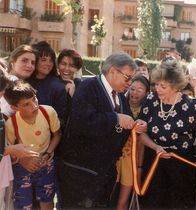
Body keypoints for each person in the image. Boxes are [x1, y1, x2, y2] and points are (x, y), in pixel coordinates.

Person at [59, 53, 146, 208]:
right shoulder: (88, 87)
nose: (129, 83)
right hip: (82, 173)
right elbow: (82, 122)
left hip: (104, 173)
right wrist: (116, 118)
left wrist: (135, 124)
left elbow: (125, 121)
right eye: (127, 78)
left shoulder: (119, 95)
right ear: (112, 71)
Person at [138, 58, 196, 209]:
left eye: (163, 86)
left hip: (182, 168)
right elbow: (141, 134)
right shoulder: (150, 100)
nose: (158, 89)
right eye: (156, 84)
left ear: (176, 86)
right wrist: (156, 147)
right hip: (154, 164)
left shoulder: (192, 106)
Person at [4, 80, 61, 210]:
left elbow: (57, 135)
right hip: (22, 168)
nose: (34, 105)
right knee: (23, 204)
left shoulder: (48, 112)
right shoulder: (11, 124)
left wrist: (47, 153)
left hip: (46, 164)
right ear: (15, 107)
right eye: (26, 104)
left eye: (34, 99)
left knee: (47, 200)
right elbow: (9, 151)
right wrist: (22, 161)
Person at [116, 75, 150, 210]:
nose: (134, 93)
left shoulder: (146, 113)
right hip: (115, 157)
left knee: (123, 201)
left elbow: (141, 143)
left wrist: (140, 168)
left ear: (147, 93)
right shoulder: (118, 105)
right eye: (132, 88)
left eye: (139, 90)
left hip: (132, 161)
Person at [28, 41, 68, 126]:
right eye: (43, 60)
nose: (48, 64)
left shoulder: (58, 86)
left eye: (51, 60)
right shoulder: (24, 81)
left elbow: (61, 118)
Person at [1, 45, 37, 117]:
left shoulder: (8, 80)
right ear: (12, 62)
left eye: (33, 62)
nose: (29, 65)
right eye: (24, 60)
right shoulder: (12, 82)